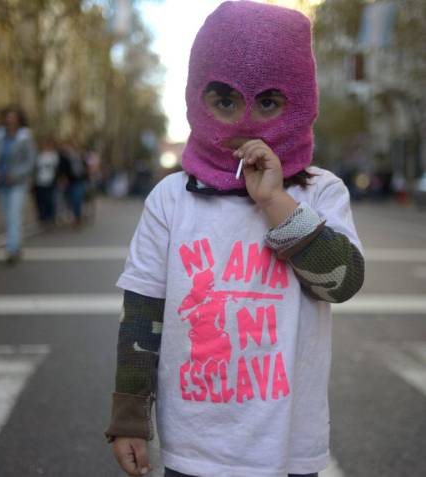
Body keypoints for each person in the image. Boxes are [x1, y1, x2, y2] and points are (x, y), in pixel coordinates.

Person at [105, 2, 365, 477]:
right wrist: (129, 420)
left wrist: (275, 203)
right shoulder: (172, 197)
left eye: (268, 102)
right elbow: (142, 313)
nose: (245, 123)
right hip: (195, 448)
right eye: (224, 101)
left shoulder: (319, 192)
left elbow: (343, 282)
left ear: (300, 102)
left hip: (289, 445)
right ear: (195, 97)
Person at [0, 107, 36, 264]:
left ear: (19, 119)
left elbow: (30, 161)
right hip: (1, 183)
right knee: (7, 217)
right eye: (8, 117)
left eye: (13, 117)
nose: (10, 120)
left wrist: (17, 174)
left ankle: (11, 250)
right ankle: (16, 245)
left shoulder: (26, 136)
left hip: (18, 183)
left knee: (14, 215)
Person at [58, 138, 88, 226]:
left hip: (78, 181)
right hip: (69, 181)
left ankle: (77, 218)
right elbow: (61, 169)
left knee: (77, 199)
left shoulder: (81, 156)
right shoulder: (64, 157)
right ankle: (71, 216)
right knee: (68, 200)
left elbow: (85, 169)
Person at [33, 136, 60, 225]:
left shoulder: (54, 156)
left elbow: (57, 168)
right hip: (39, 181)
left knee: (49, 199)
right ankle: (43, 217)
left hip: (50, 181)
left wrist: (56, 179)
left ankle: (50, 216)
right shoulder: (39, 155)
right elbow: (35, 168)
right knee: (41, 200)